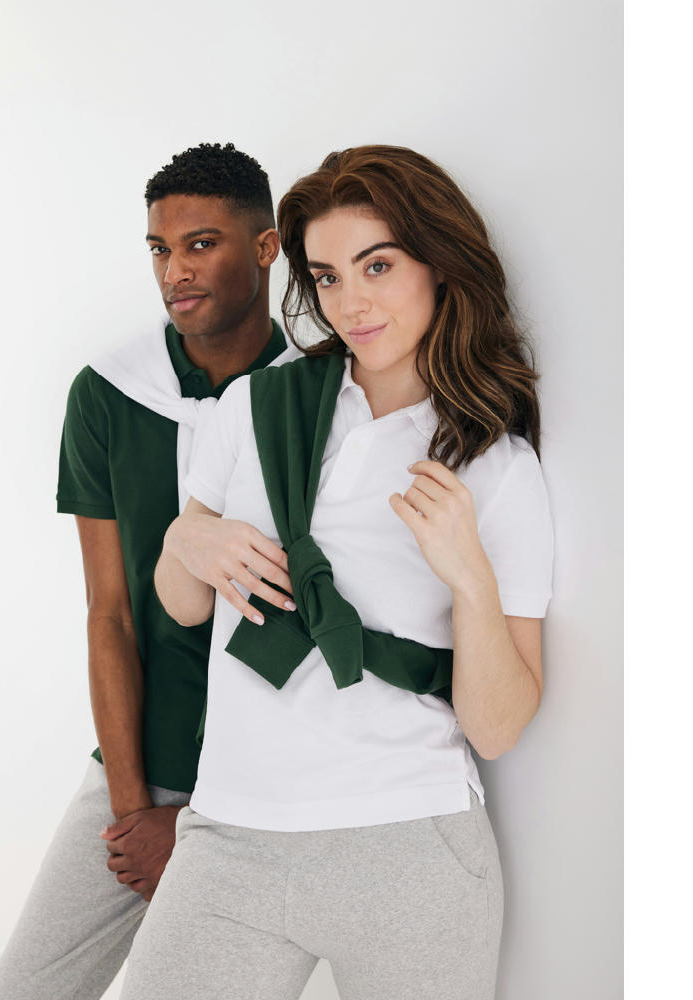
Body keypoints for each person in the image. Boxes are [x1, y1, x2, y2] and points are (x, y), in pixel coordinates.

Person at [122, 145, 554, 1000]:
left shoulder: (494, 467)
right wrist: (186, 541)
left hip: (410, 845)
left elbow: (498, 728)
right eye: (326, 277)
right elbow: (183, 605)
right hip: (231, 836)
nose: (350, 303)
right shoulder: (256, 405)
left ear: (439, 264)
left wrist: (470, 578)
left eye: (377, 266)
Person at [0, 142, 298, 1000]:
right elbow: (108, 613)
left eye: (201, 244)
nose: (174, 271)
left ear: (266, 247)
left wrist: (199, 822)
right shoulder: (108, 395)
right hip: (140, 762)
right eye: (160, 249)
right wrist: (135, 813)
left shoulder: (317, 393)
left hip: (278, 781)